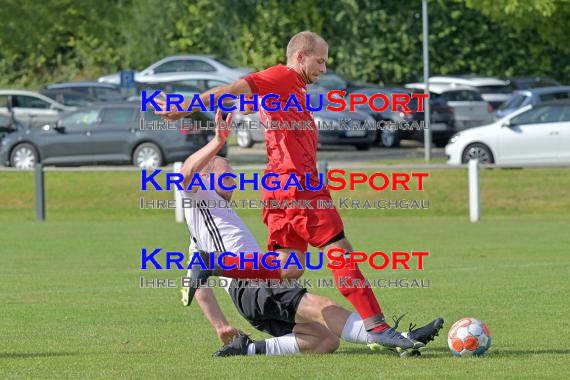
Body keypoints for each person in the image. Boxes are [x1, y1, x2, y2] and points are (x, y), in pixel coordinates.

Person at [157, 31, 421, 351]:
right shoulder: (281, 77)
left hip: (280, 187)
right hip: (296, 184)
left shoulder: (291, 87)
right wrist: (186, 107)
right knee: (339, 246)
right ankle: (377, 327)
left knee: (288, 267)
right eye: (320, 60)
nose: (324, 68)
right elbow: (231, 89)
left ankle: (212, 263)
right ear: (300, 57)